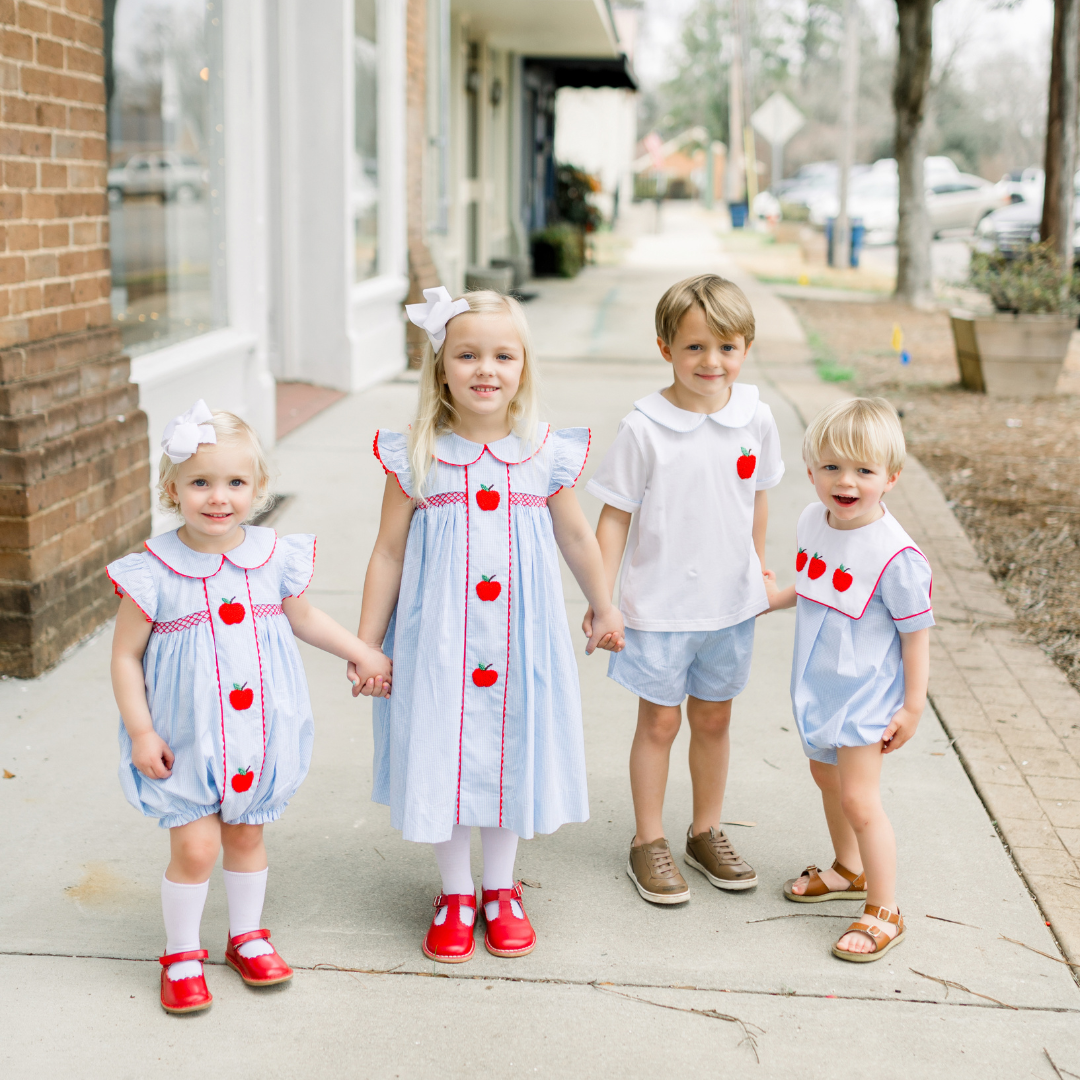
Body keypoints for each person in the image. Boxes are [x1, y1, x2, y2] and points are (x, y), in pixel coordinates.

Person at [356, 287, 624, 963]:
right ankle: (454, 892)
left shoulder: (541, 453)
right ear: (442, 366)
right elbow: (388, 551)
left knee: (509, 745)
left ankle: (501, 888)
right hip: (437, 639)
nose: (486, 369)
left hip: (518, 633)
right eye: (468, 354)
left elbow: (577, 538)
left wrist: (604, 602)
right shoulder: (417, 454)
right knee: (444, 746)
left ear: (524, 367)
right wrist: (366, 643)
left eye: (503, 355)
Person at [108, 402, 391, 1014]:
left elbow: (305, 618)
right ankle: (182, 952)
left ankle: (245, 936)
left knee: (246, 835)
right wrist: (139, 730)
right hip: (184, 737)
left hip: (255, 735)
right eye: (201, 482)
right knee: (196, 848)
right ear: (172, 489)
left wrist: (362, 653)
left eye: (235, 483)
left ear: (259, 489)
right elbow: (126, 658)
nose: (218, 497)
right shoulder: (155, 572)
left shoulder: (271, 559)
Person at [586, 273, 784, 904]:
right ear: (665, 347)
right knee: (660, 724)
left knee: (716, 719)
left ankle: (705, 830)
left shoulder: (757, 416)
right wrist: (603, 598)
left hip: (729, 605)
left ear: (745, 347)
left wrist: (758, 561)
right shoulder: (645, 427)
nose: (711, 361)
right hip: (660, 608)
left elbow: (757, 499)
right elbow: (614, 515)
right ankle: (648, 841)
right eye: (695, 346)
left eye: (726, 346)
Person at [763, 397, 932, 962]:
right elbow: (815, 586)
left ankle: (885, 908)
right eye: (832, 467)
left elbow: (916, 635)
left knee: (861, 799)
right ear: (811, 471)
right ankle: (849, 867)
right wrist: (772, 599)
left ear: (891, 478)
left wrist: (912, 705)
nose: (847, 482)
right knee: (823, 775)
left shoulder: (896, 556)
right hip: (817, 684)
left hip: (866, 695)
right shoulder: (815, 520)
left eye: (864, 471)